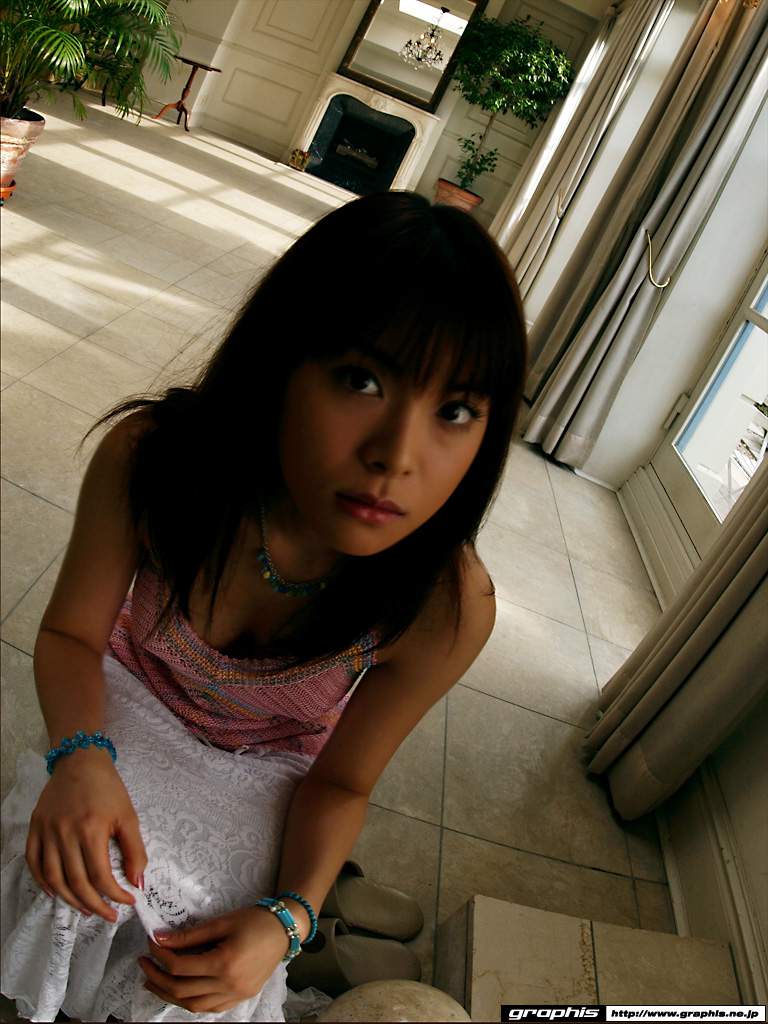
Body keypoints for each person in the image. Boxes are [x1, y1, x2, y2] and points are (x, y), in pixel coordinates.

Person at [0, 190, 527, 1022]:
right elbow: (71, 633)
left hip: (267, 766)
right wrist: (81, 755)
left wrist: (288, 919)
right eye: (361, 380)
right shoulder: (154, 461)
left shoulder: (444, 606)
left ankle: (325, 915)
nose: (396, 455)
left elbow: (342, 781)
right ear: (281, 359)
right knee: (71, 870)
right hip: (131, 696)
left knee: (211, 959)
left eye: (455, 411)